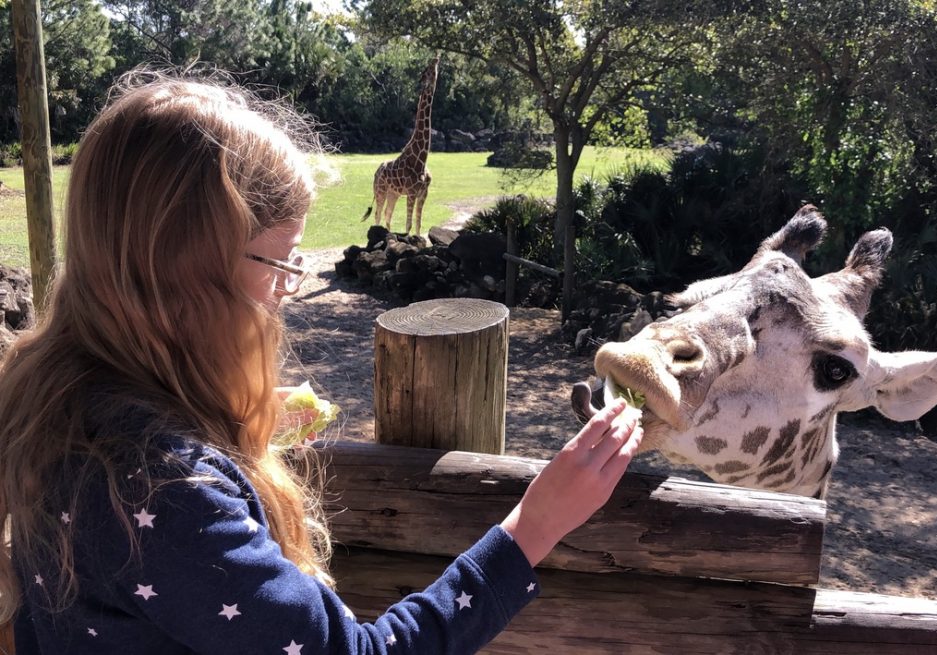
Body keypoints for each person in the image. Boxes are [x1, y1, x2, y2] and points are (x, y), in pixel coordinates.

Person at [0, 69, 643, 654]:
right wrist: (535, 523)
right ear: (187, 272)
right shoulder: (162, 487)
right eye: (280, 261)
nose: (289, 289)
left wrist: (213, 423)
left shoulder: (56, 400)